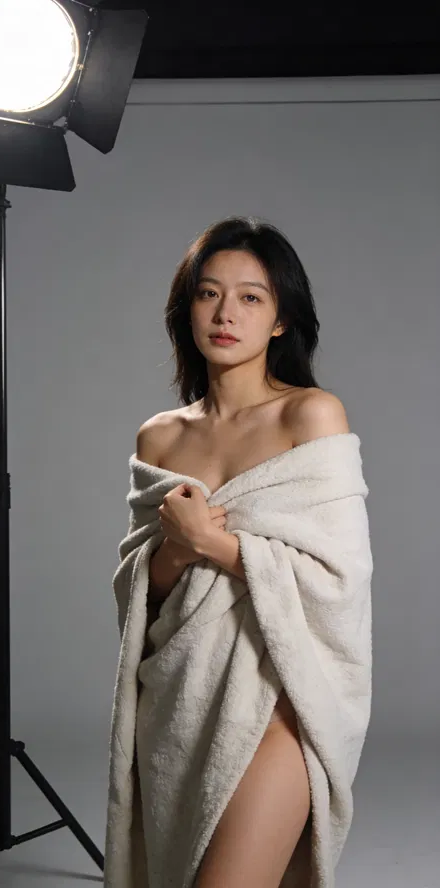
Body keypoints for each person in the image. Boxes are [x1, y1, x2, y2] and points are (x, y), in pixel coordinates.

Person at [136, 215, 351, 887]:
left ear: (282, 318)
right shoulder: (159, 438)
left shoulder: (311, 415)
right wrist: (175, 550)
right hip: (179, 699)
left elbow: (338, 583)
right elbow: (149, 600)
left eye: (251, 297)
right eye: (208, 293)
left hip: (282, 699)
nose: (226, 313)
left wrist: (212, 542)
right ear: (187, 309)